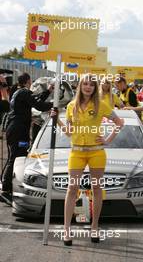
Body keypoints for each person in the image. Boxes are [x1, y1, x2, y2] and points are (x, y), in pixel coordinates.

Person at [54, 74, 124, 245]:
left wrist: (107, 140)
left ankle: (94, 226)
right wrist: (56, 120)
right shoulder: (71, 106)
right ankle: (66, 229)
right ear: (80, 86)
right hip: (77, 152)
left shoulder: (102, 105)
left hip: (96, 153)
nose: (88, 87)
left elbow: (119, 122)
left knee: (97, 189)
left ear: (94, 88)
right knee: (72, 188)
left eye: (91, 85)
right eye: (85, 84)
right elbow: (69, 132)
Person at [0, 73, 53, 205]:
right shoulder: (23, 92)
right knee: (15, 158)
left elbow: (36, 101)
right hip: (18, 131)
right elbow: (39, 105)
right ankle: (5, 190)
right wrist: (54, 104)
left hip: (16, 130)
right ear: (28, 81)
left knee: (17, 156)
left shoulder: (20, 92)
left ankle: (7, 188)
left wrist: (48, 91)